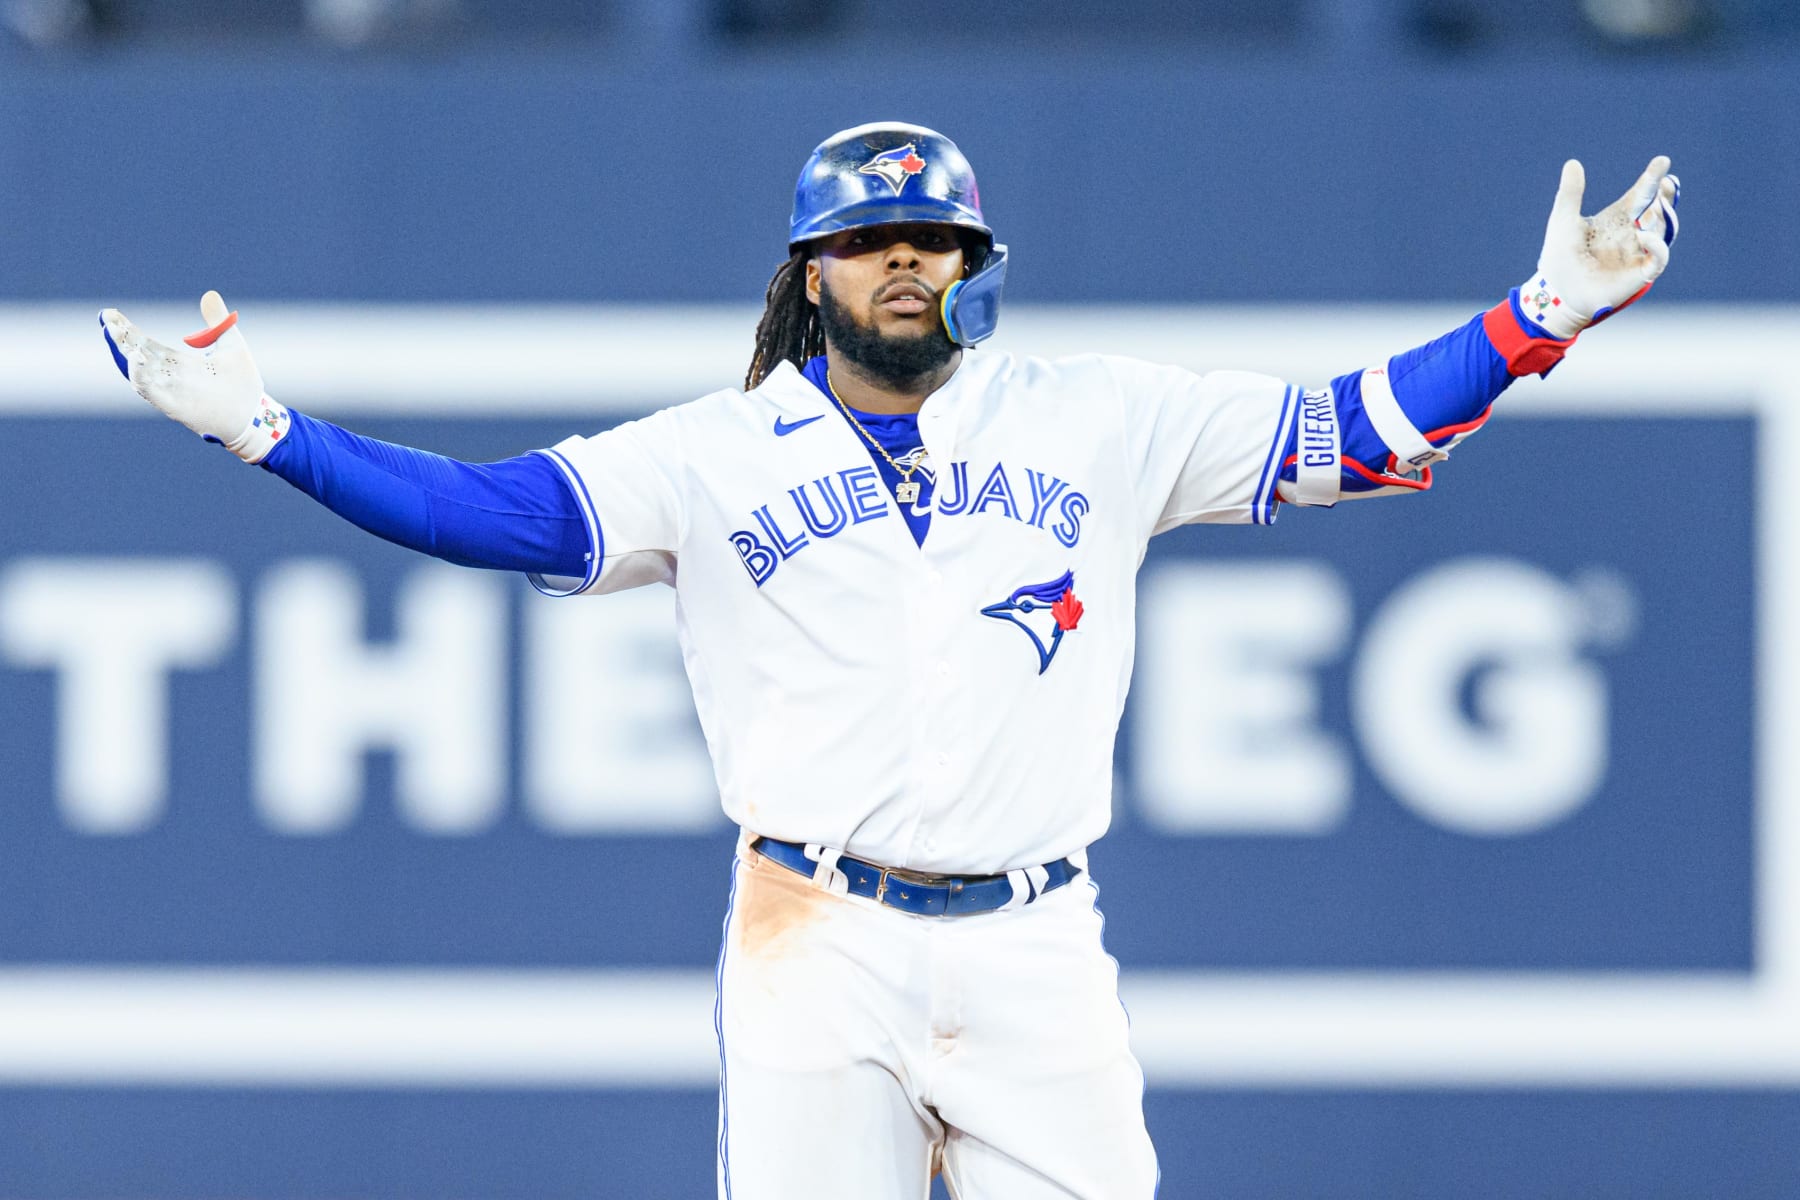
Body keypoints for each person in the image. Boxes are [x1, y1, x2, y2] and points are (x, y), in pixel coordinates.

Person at [99, 122, 1679, 1199]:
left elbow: (1354, 426)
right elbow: (495, 514)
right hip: (816, 937)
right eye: (869, 242)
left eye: (934, 238)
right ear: (809, 272)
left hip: (1039, 940)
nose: (906, 263)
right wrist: (268, 433)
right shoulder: (716, 454)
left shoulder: (1099, 417)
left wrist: (1542, 315)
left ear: (970, 263)